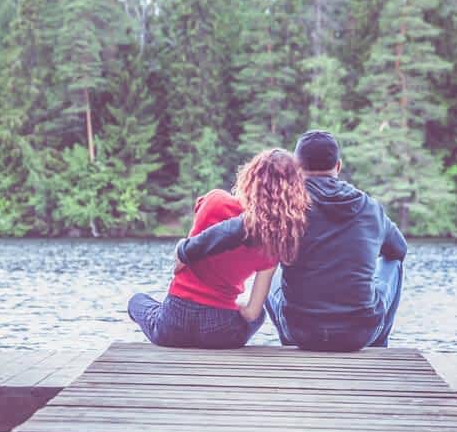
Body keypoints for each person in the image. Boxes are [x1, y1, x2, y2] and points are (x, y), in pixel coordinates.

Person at [175, 130, 406, 352]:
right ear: (338, 166)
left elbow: (227, 231)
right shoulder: (370, 208)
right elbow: (399, 249)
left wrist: (185, 251)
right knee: (393, 263)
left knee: (271, 268)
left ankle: (289, 344)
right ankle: (379, 344)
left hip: (301, 333)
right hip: (358, 334)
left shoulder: (286, 208)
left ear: (297, 167)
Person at [128, 149, 309, 349]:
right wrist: (234, 308)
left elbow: (181, 262)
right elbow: (251, 313)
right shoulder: (273, 243)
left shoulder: (215, 200)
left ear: (249, 177)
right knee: (260, 316)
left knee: (137, 301)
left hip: (173, 322)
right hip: (219, 331)